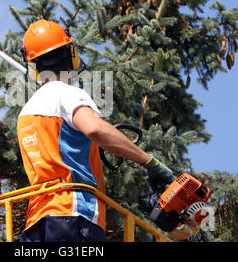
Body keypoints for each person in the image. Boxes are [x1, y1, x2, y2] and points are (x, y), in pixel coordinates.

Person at [16, 19, 174, 242]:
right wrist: (148, 161)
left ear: (34, 66)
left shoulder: (26, 112)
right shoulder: (68, 94)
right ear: (72, 54)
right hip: (73, 216)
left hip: (36, 224)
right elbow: (93, 128)